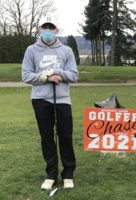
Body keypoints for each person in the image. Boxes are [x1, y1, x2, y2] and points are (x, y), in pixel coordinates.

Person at [22, 16, 78, 190]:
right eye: (44, 28)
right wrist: (48, 77)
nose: (47, 30)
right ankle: (51, 174)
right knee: (47, 137)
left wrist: (56, 71)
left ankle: (68, 174)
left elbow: (73, 75)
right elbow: (26, 76)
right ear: (39, 30)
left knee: (65, 136)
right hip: (40, 99)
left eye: (50, 27)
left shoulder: (66, 51)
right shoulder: (31, 50)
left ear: (56, 30)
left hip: (62, 100)